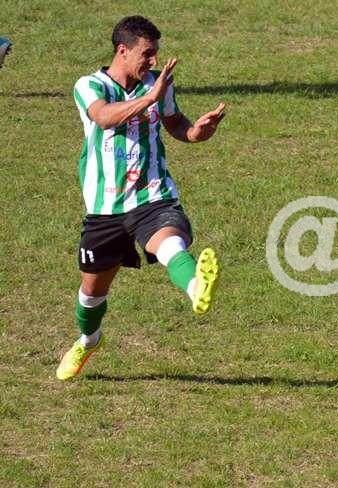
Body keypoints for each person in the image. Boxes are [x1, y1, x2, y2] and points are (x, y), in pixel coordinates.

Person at [56, 16, 225, 381]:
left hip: (152, 194)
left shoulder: (158, 83)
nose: (153, 60)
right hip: (104, 207)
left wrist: (196, 132)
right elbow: (103, 117)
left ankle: (196, 286)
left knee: (170, 244)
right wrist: (149, 97)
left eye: (155, 53)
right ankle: (88, 341)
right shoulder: (89, 85)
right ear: (123, 50)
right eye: (147, 54)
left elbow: (174, 121)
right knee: (91, 294)